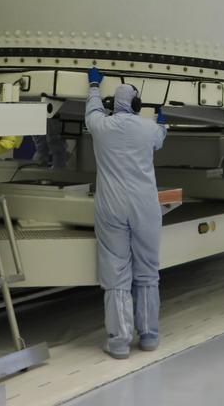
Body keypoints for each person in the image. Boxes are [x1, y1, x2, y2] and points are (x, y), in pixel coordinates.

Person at [85, 68, 167, 358]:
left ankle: (119, 342)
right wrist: (162, 121)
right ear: (136, 105)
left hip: (111, 207)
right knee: (147, 271)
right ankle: (148, 337)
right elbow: (160, 136)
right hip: (145, 207)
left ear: (113, 105)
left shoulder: (101, 127)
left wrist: (94, 85)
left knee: (116, 272)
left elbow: (91, 111)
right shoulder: (148, 128)